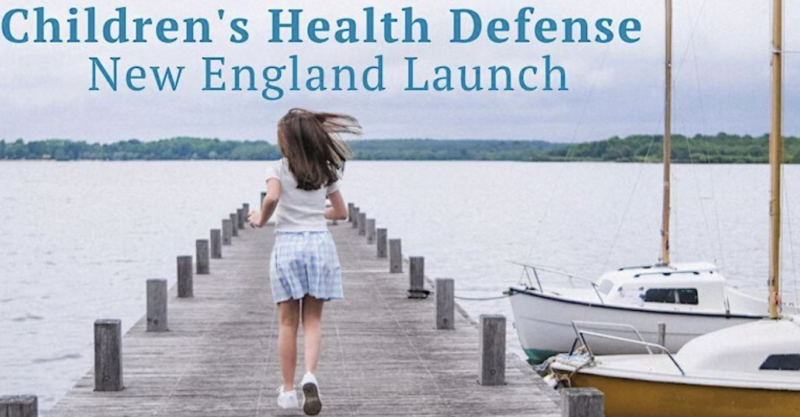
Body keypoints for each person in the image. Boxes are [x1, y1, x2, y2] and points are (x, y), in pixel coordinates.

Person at [248, 108, 357, 415]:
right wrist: (312, 214)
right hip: (319, 245)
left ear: (286, 141)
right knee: (313, 321)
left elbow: (271, 199)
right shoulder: (325, 170)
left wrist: (260, 218)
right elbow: (341, 213)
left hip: (288, 246)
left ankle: (287, 390)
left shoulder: (277, 168)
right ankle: (310, 375)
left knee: (286, 322)